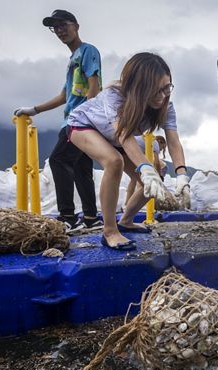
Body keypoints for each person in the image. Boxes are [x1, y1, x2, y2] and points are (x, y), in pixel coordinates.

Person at [67, 52, 189, 250]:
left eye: (166, 88)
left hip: (115, 137)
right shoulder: (114, 96)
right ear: (138, 88)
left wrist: (182, 174)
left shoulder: (166, 106)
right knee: (114, 161)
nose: (162, 96)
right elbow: (123, 135)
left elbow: (173, 141)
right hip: (83, 125)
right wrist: (143, 166)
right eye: (155, 91)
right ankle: (110, 231)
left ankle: (126, 220)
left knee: (154, 180)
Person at [14, 9, 102, 234]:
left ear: (76, 25)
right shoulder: (72, 59)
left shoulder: (87, 51)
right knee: (82, 169)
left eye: (64, 25)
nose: (60, 30)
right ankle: (91, 219)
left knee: (58, 160)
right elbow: (64, 96)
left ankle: (67, 217)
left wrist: (86, 118)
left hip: (79, 121)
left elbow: (95, 86)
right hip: (75, 119)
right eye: (56, 27)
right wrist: (34, 110)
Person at [125, 135, 167, 205]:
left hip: (125, 152)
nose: (160, 150)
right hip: (130, 153)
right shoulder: (154, 142)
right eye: (162, 148)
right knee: (144, 184)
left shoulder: (145, 139)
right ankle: (135, 205)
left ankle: (127, 204)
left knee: (134, 179)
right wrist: (160, 176)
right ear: (160, 142)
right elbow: (157, 163)